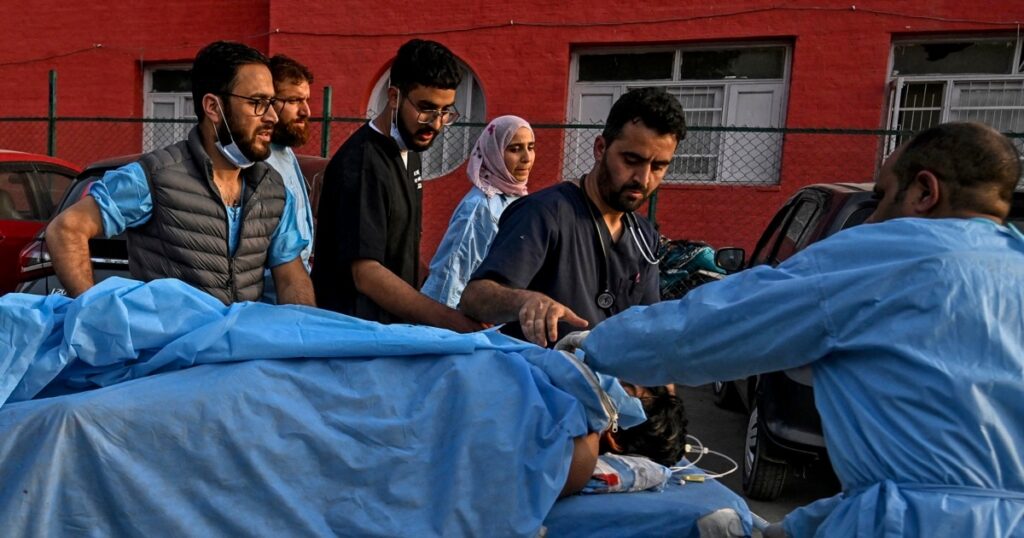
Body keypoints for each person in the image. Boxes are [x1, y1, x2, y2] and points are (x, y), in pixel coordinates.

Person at [574, 122, 1024, 536]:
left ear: (924, 191)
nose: (872, 220)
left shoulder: (891, 254)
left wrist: (593, 347)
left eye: (882, 197)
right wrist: (793, 530)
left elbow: (715, 326)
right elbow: (952, 481)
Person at [45, 41, 314, 306]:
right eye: (257, 102)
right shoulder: (155, 177)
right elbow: (65, 229)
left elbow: (291, 277)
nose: (272, 117)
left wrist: (303, 330)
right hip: (167, 336)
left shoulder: (273, 190)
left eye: (271, 102)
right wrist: (96, 312)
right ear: (213, 107)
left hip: (240, 336)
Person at [460, 87, 687, 347]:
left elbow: (647, 323)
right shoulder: (543, 213)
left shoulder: (644, 238)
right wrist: (525, 302)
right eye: (631, 160)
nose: (643, 179)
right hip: (538, 371)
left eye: (658, 166)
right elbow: (474, 297)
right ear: (600, 148)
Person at [312, 39, 481, 332]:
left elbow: (399, 246)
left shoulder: (410, 151)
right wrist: (447, 320)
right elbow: (366, 273)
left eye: (445, 112)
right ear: (394, 96)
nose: (436, 124)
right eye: (426, 109)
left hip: (391, 329)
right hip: (355, 332)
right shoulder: (363, 164)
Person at [421, 115, 535, 307]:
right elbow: (452, 275)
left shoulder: (517, 198)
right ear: (494, 152)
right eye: (514, 149)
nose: (526, 158)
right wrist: (445, 321)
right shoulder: (480, 208)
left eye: (530, 147)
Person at [262, 54, 316, 304]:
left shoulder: (286, 151)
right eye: (294, 100)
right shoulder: (256, 159)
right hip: (266, 303)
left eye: (306, 100)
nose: (306, 111)